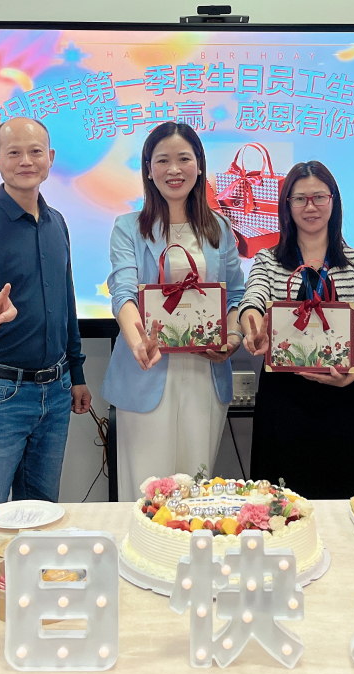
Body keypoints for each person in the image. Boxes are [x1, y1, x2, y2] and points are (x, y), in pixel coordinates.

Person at [0, 117, 91, 504]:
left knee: (42, 514)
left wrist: (76, 374)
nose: (26, 161)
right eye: (13, 153)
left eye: (35, 151)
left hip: (57, 392)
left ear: (50, 157)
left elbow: (67, 304)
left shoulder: (57, 223)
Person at [101, 122, 246, 500]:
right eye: (162, 160)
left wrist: (232, 340)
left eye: (184, 159)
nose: (174, 169)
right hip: (146, 371)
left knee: (195, 489)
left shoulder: (220, 228)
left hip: (204, 375)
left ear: (199, 165)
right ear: (148, 169)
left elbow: (236, 295)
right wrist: (139, 343)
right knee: (147, 491)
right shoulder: (128, 228)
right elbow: (123, 292)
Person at [238, 161, 354, 499]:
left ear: (334, 201)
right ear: (287, 206)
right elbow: (252, 300)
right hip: (283, 400)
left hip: (343, 395)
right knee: (279, 507)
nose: (310, 206)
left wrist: (353, 371)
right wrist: (253, 329)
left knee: (345, 499)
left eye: (319, 197)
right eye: (300, 199)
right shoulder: (268, 260)